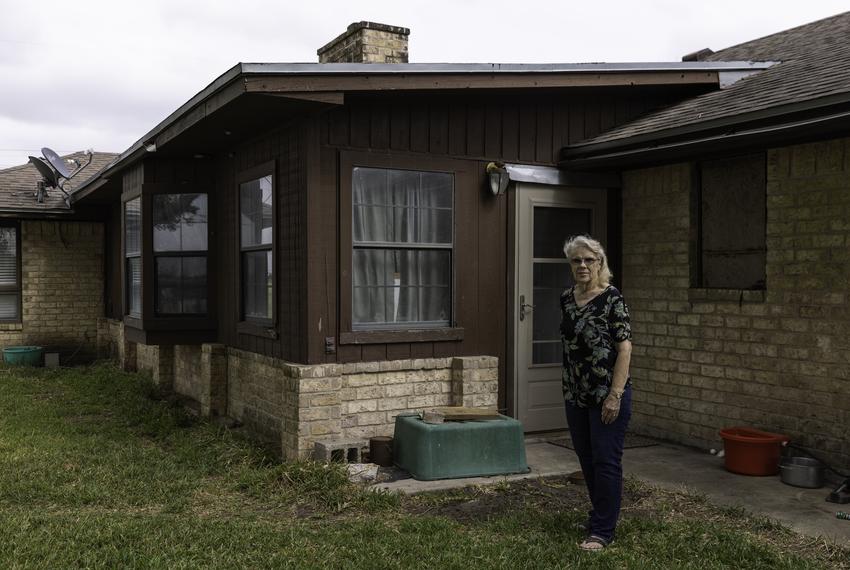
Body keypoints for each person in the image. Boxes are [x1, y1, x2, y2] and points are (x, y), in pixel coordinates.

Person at [560, 235, 633, 552]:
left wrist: (615, 394)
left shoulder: (612, 298)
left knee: (606, 461)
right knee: (587, 460)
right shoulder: (566, 298)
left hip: (607, 394)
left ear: (600, 263)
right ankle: (598, 517)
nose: (582, 265)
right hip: (576, 394)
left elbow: (625, 348)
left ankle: (603, 531)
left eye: (589, 260)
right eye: (576, 260)